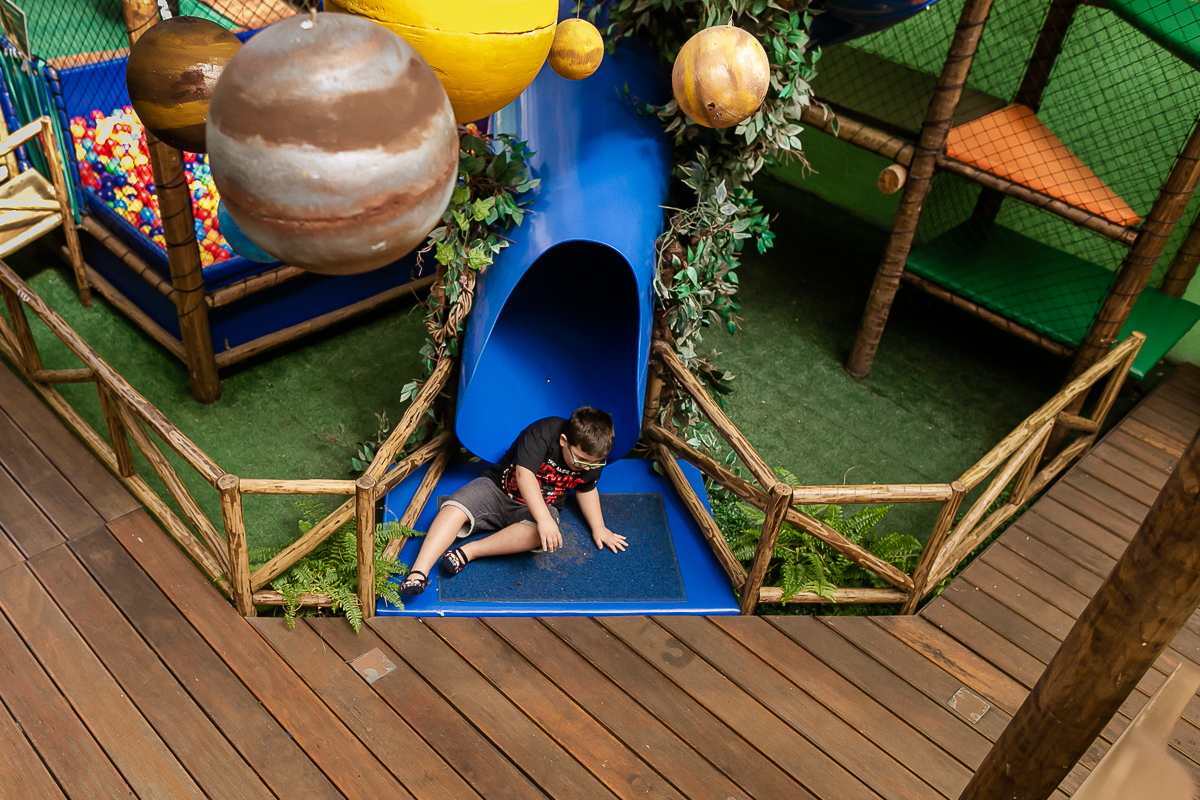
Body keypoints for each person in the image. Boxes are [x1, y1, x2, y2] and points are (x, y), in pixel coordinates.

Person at [399, 406, 628, 595]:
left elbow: (586, 489)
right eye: (580, 460)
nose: (586, 467)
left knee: (540, 535)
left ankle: (469, 552)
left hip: (541, 506)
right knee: (453, 508)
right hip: (497, 489)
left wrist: (599, 528)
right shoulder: (543, 431)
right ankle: (418, 573)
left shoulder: (592, 461)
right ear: (563, 440)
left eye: (594, 463)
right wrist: (544, 519)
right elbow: (524, 475)